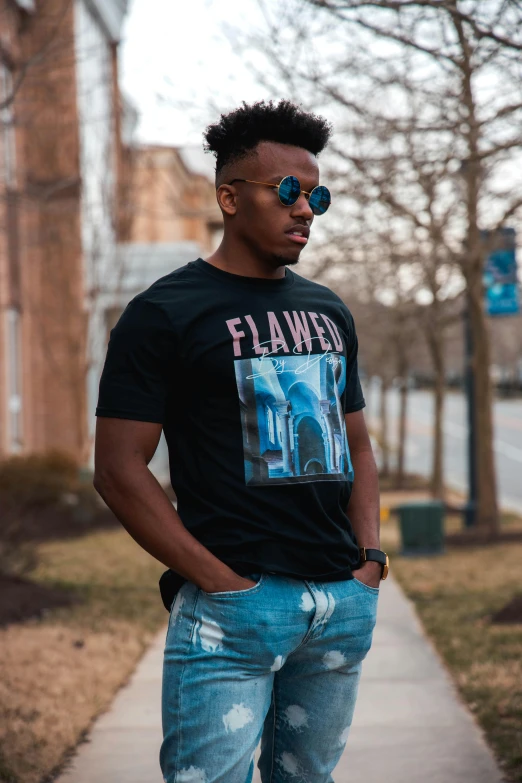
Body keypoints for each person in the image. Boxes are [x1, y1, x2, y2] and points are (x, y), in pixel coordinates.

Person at [93, 99, 388, 783]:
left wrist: (368, 561)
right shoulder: (163, 313)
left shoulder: (326, 309)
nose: (305, 208)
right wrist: (218, 581)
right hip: (233, 613)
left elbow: (357, 447)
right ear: (229, 196)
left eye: (317, 194)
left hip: (339, 605)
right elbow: (117, 469)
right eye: (288, 190)